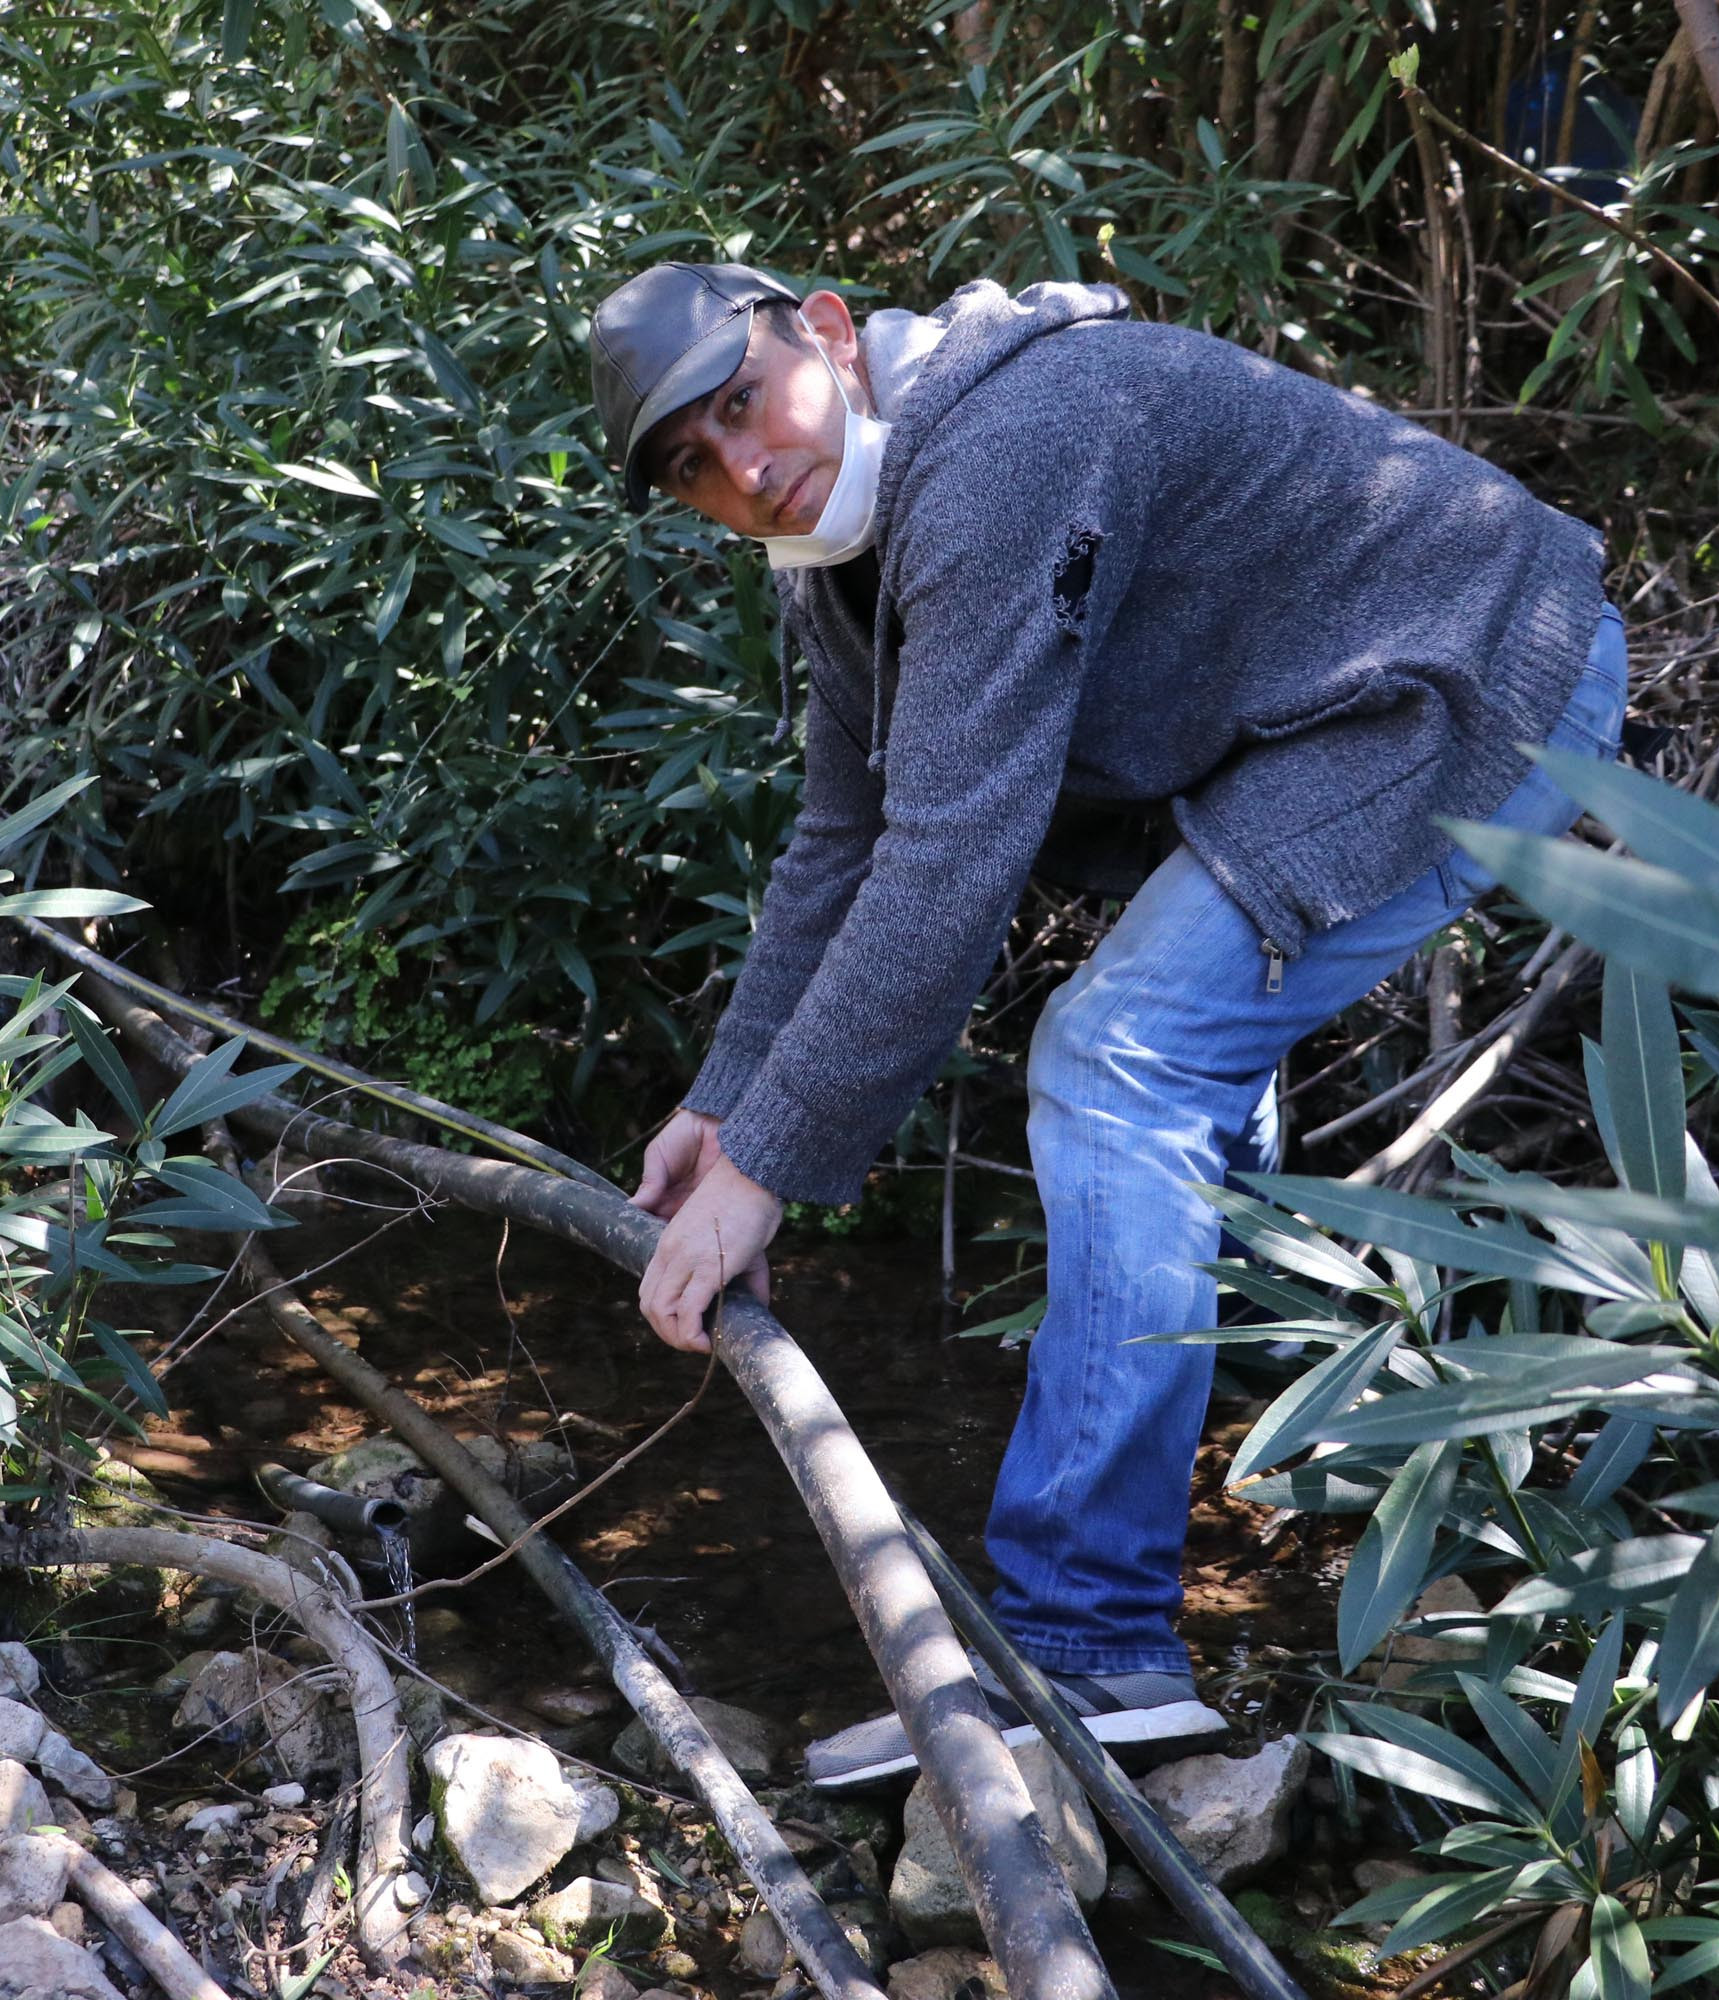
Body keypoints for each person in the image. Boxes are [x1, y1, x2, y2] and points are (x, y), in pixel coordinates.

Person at [586, 262, 1628, 1786]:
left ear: (818, 326)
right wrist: (730, 1101)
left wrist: (773, 1169)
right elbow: (845, 833)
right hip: (1303, 718)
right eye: (694, 466)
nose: (744, 469)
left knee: (1118, 1056)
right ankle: (1299, 1494)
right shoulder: (840, 551)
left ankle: (1087, 1652)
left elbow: (951, 851)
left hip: (1467, 681)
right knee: (1170, 1073)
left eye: (741, 405)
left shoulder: (1003, 446)